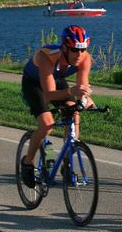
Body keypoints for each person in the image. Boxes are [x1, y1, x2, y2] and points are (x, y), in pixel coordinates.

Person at [19, 25, 93, 188]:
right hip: (34, 84)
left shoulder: (85, 58)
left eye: (83, 49)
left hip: (56, 80)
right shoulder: (48, 57)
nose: (79, 55)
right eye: (75, 50)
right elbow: (49, 95)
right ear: (65, 48)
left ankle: (67, 163)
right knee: (47, 125)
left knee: (74, 111)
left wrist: (85, 99)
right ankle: (27, 162)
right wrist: (72, 91)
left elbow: (82, 87)